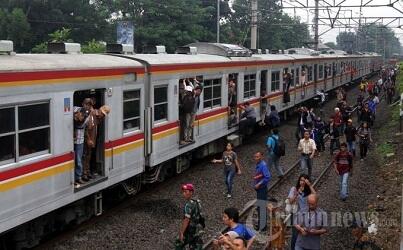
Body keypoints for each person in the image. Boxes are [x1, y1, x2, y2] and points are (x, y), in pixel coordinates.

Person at [287, 174, 316, 250]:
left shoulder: (308, 191)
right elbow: (290, 201)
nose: (302, 182)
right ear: (298, 181)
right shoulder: (294, 189)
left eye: (304, 180)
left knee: (305, 235)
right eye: (301, 180)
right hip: (296, 215)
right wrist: (296, 194)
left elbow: (315, 196)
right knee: (295, 235)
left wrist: (309, 185)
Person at [83, 104, 110, 181]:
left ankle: (87, 172)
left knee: (89, 156)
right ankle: (84, 174)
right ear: (100, 111)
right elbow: (85, 129)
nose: (103, 116)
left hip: (92, 140)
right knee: (86, 157)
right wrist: (88, 140)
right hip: (87, 141)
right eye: (103, 114)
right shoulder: (91, 115)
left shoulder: (98, 117)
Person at [176, 184, 204, 250]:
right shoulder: (197, 202)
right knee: (196, 246)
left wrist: (182, 232)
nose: (184, 194)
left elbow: (186, 220)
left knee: (178, 243)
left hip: (190, 230)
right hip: (198, 228)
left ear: (191, 192)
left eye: (186, 192)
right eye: (183, 192)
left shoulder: (188, 205)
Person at [73, 98, 92, 187]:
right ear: (82, 103)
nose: (87, 106)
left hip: (80, 139)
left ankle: (78, 177)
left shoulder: (88, 116)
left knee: (78, 159)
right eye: (86, 104)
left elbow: (86, 128)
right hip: (72, 138)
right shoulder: (75, 108)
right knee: (72, 158)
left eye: (89, 105)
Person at [253, 151, 271, 231]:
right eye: (255, 157)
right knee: (260, 206)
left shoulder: (263, 165)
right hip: (259, 189)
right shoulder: (258, 164)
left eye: (257, 157)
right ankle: (261, 224)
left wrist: (259, 184)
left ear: (261, 157)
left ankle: (263, 227)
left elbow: (267, 177)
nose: (256, 158)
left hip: (262, 189)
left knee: (262, 207)